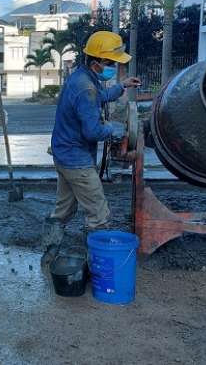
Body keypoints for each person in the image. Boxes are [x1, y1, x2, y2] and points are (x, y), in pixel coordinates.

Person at [43, 31, 141, 256]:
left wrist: (122, 86)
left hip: (64, 155)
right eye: (112, 63)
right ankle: (97, 262)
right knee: (99, 214)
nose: (114, 68)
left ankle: (50, 252)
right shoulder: (86, 87)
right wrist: (113, 128)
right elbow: (93, 131)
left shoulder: (82, 77)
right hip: (77, 161)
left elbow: (99, 96)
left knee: (63, 209)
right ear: (98, 63)